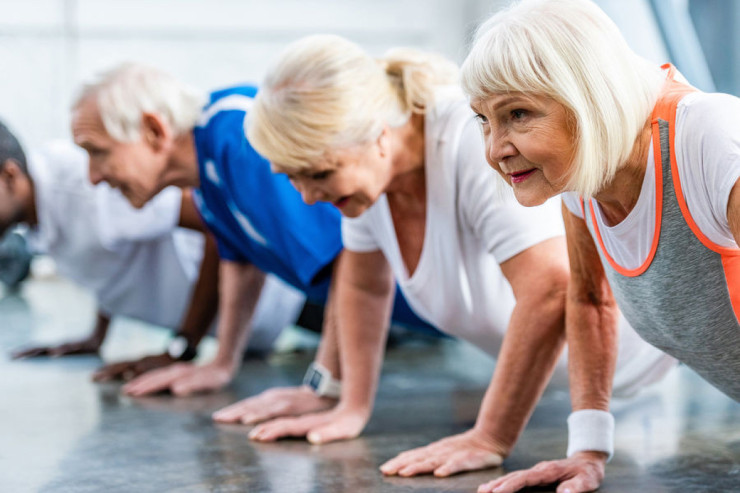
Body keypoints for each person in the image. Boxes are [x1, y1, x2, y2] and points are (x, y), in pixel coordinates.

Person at [243, 33, 677, 476]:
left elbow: (550, 287)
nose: (308, 197)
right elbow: (361, 284)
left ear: (376, 134)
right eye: (292, 177)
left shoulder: (471, 140)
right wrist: (348, 404)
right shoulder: (367, 182)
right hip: (570, 390)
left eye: (318, 174)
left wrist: (491, 435)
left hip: (646, 349)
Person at [460, 0, 740, 491]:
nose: (494, 149)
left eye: (518, 114)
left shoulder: (712, 138)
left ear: (587, 98)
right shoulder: (583, 178)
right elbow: (590, 301)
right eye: (484, 119)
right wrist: (587, 450)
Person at [70, 64, 433, 403]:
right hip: (423, 312)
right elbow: (240, 261)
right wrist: (222, 362)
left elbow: (346, 258)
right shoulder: (206, 174)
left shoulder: (241, 132)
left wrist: (321, 386)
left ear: (154, 130)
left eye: (97, 152)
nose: (93, 176)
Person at [1, 122, 301, 379]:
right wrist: (97, 336)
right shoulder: (37, 203)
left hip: (289, 295)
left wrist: (182, 347)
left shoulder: (88, 189)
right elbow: (107, 254)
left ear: (10, 175)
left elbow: (219, 222)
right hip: (248, 336)